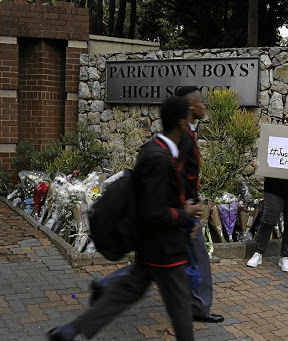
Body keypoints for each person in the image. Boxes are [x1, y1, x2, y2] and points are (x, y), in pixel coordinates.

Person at [47, 96, 203, 341]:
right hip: (166, 250)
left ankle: (71, 329)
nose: (192, 122)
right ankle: (72, 329)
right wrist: (186, 213)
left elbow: (157, 196)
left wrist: (182, 205)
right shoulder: (160, 159)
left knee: (126, 292)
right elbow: (155, 212)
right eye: (190, 118)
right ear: (183, 123)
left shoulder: (156, 148)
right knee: (181, 309)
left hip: (150, 246)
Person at [175, 86, 224, 323]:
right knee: (198, 258)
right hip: (184, 210)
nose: (204, 106)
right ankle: (199, 308)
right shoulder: (182, 135)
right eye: (201, 102)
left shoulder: (187, 132)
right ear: (191, 106)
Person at [247, 111, 288, 272]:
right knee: (268, 219)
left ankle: (285, 257)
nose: (285, 121)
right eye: (283, 119)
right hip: (275, 188)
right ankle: (258, 253)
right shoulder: (275, 138)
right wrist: (259, 164)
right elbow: (266, 159)